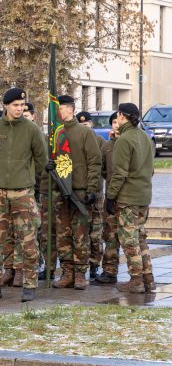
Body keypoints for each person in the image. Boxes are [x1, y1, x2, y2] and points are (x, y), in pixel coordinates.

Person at [0, 88, 47, 302]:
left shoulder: (32, 129)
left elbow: (41, 159)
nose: (19, 109)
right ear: (6, 105)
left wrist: (27, 179)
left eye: (22, 106)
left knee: (28, 239)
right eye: (15, 105)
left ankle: (30, 284)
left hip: (23, 192)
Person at [51, 96, 102, 289]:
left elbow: (94, 162)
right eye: (58, 109)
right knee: (63, 234)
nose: (59, 113)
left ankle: (81, 272)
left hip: (79, 190)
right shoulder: (56, 133)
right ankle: (67, 272)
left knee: (81, 235)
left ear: (71, 109)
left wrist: (92, 189)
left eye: (62, 109)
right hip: (61, 191)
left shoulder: (84, 133)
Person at [106, 103, 155, 293]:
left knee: (129, 240)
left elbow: (119, 174)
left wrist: (110, 197)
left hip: (128, 198)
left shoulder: (124, 140)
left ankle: (136, 280)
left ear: (121, 116)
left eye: (118, 115)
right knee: (141, 238)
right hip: (144, 197)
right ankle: (148, 278)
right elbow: (150, 170)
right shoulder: (144, 137)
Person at [77, 110, 106, 281]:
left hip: (96, 193)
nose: (84, 127)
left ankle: (95, 264)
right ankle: (80, 265)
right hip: (79, 193)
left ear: (91, 125)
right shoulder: (74, 141)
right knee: (80, 232)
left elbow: (101, 168)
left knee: (95, 232)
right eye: (81, 125)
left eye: (86, 124)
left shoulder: (100, 142)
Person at [96, 112, 121, 285]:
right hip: (111, 197)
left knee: (133, 237)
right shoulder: (107, 146)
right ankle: (109, 271)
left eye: (118, 122)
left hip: (129, 197)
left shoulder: (131, 142)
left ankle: (141, 274)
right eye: (113, 122)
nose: (116, 125)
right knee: (110, 235)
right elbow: (103, 170)